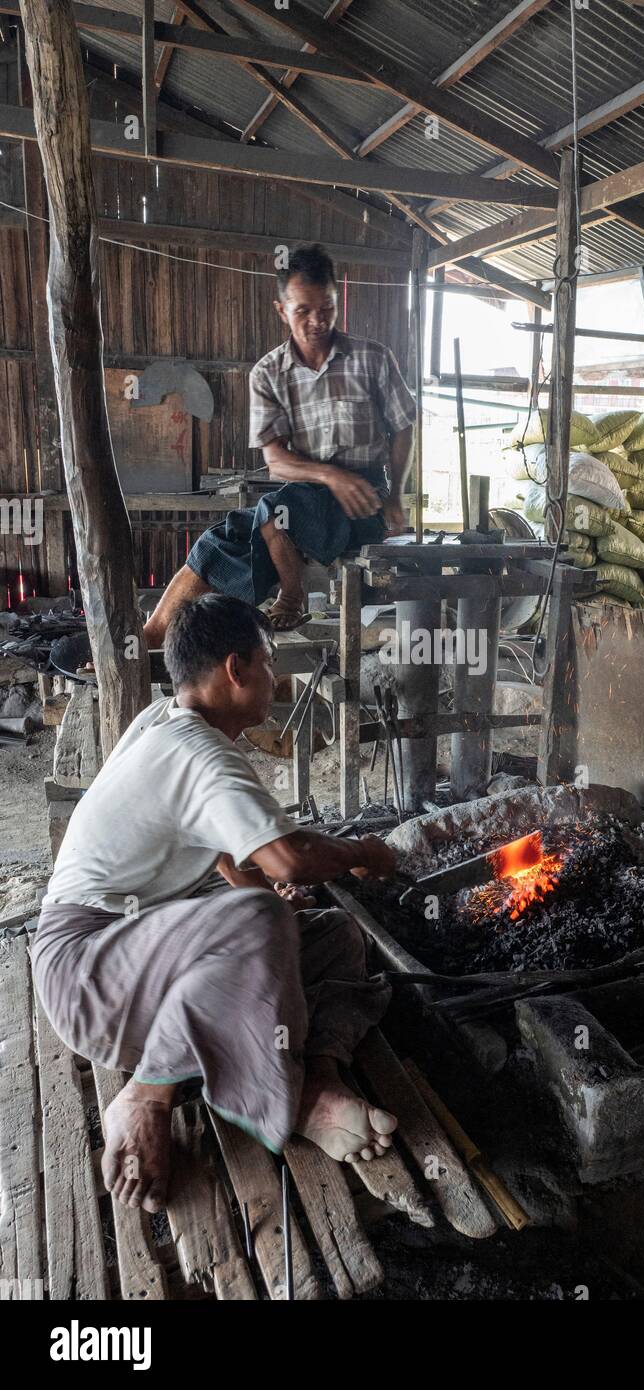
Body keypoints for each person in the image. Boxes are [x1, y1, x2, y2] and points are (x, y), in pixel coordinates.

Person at [33, 595, 398, 1213]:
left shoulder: (163, 718)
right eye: (268, 660)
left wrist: (275, 913)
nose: (274, 679)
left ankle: (317, 1075)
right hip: (87, 972)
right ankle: (149, 1094)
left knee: (336, 933)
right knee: (260, 919)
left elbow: (227, 857)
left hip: (137, 953)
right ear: (237, 668)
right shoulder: (199, 755)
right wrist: (364, 849)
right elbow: (288, 858)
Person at [143, 243, 416, 647]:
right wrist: (329, 476)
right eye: (302, 311)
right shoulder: (268, 373)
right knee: (225, 538)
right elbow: (276, 461)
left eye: (326, 308)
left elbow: (404, 426)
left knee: (274, 512)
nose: (316, 321)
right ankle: (151, 638)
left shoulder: (372, 359)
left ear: (337, 302)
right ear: (281, 310)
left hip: (364, 499)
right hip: (307, 493)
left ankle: (291, 596)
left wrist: (394, 495)